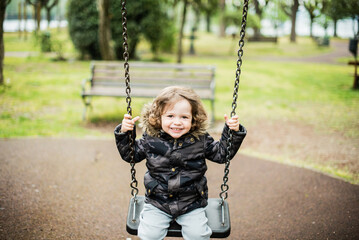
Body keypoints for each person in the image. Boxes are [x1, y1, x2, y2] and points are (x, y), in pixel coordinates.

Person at [115, 86, 246, 240]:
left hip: (191, 203)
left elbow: (221, 154)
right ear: (158, 117)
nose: (177, 122)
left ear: (193, 119)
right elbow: (131, 155)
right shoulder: (151, 138)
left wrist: (232, 132)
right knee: (149, 235)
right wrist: (125, 133)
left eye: (184, 117)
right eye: (170, 116)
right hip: (158, 202)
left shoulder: (200, 140)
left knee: (198, 235)